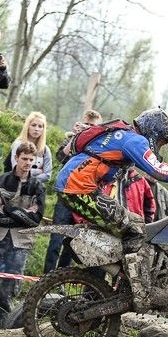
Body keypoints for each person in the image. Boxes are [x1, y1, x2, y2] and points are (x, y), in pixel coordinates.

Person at [54, 108, 168, 310]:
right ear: (153, 131)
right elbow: (158, 170)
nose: (160, 146)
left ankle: (118, 282)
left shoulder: (125, 135)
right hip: (77, 188)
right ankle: (137, 290)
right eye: (162, 141)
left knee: (133, 225)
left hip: (77, 186)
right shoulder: (134, 140)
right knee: (135, 230)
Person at [0, 142, 45, 325]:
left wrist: (9, 209)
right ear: (16, 158)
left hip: (21, 242)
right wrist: (22, 215)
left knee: (10, 290)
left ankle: (2, 329)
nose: (28, 163)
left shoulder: (37, 186)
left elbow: (35, 219)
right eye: (24, 158)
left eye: (31, 159)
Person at [43, 110, 102, 275]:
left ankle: (61, 277)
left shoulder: (101, 145)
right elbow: (61, 156)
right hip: (65, 195)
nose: (88, 128)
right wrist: (75, 138)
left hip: (84, 198)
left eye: (92, 126)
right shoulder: (73, 138)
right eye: (86, 124)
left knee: (72, 243)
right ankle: (46, 276)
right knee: (55, 239)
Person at [8, 112, 52, 183]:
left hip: (35, 186)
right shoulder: (18, 144)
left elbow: (47, 175)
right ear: (27, 126)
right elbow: (16, 169)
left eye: (40, 126)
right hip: (15, 183)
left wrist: (31, 181)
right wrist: (39, 171)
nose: (36, 129)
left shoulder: (45, 149)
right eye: (33, 125)